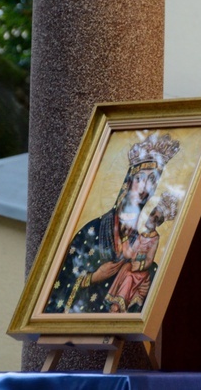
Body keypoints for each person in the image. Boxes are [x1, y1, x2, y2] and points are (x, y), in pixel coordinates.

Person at [45, 132, 181, 313]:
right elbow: (60, 286)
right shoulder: (91, 232)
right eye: (140, 178)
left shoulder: (144, 241)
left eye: (152, 180)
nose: (145, 188)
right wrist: (93, 277)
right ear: (128, 181)